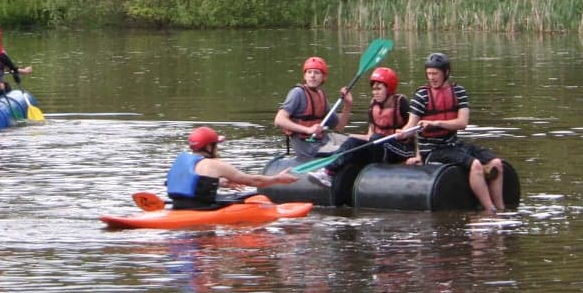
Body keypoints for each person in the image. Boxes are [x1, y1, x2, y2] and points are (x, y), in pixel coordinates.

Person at [404, 51, 507, 214]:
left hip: (453, 145)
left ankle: (501, 208)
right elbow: (409, 128)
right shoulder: (421, 96)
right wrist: (403, 136)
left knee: (497, 163)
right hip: (432, 151)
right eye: (429, 73)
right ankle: (490, 211)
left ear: (446, 73)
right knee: (475, 165)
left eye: (435, 74)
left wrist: (436, 123)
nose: (431, 78)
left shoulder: (459, 92)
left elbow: (462, 123)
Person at [304, 65, 414, 187]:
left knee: (377, 138)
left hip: (402, 150)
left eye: (379, 89)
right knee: (352, 141)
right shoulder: (373, 105)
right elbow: (369, 136)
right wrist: (348, 137)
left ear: (389, 89)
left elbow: (414, 129)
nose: (375, 92)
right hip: (379, 147)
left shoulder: (401, 102)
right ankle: (327, 172)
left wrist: (408, 138)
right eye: (373, 89)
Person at [166, 126, 299, 209]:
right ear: (208, 147)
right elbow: (253, 181)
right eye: (216, 145)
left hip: (177, 206)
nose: (217, 148)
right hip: (202, 208)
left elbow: (189, 181)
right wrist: (277, 178)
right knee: (257, 197)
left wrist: (219, 183)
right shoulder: (215, 165)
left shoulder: (180, 160)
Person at [274, 56, 347, 158]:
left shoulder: (321, 95)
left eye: (317, 73)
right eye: (309, 72)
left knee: (354, 144)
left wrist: (348, 104)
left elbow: (339, 127)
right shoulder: (297, 93)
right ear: (304, 76)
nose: (312, 76)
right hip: (306, 145)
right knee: (347, 151)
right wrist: (307, 130)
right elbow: (279, 120)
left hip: (322, 140)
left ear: (323, 77)